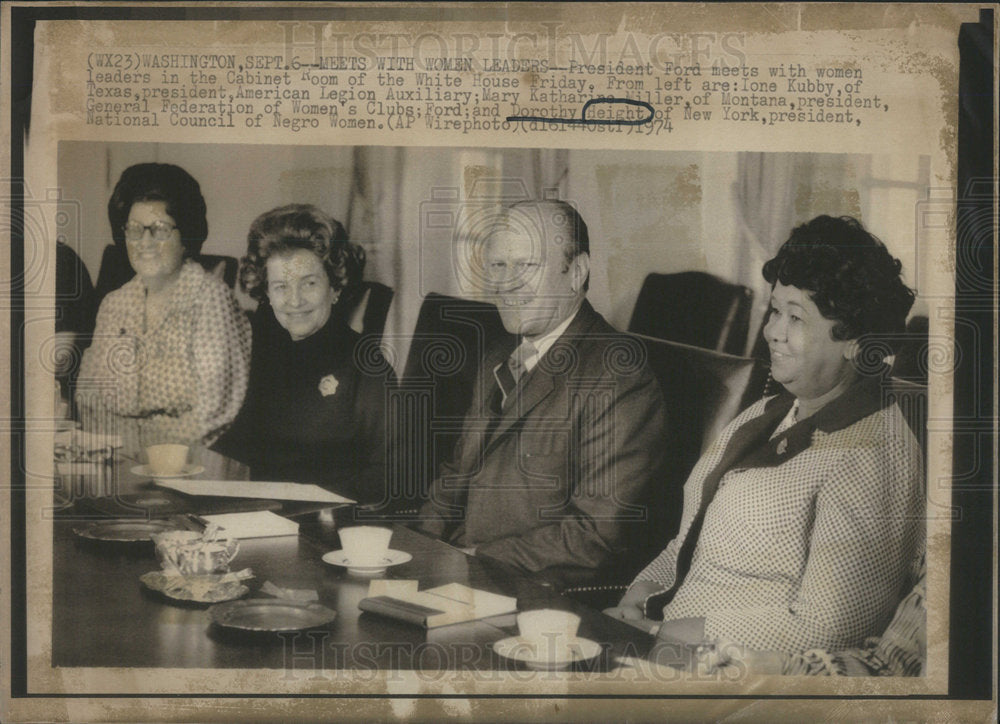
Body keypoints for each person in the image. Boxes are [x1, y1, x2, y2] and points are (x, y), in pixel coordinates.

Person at [605, 215, 924, 656]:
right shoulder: (769, 412)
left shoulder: (872, 455)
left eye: (796, 317)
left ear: (855, 342)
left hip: (740, 678)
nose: (772, 331)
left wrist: (666, 636)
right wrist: (637, 599)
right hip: (667, 647)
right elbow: (688, 543)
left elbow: (830, 632)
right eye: (776, 310)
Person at [417, 200, 667, 583]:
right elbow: (456, 474)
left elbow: (597, 535)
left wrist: (472, 558)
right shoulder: (502, 352)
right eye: (498, 265)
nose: (506, 282)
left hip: (524, 585)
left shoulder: (620, 374)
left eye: (527, 265)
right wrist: (418, 548)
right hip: (455, 568)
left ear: (576, 272)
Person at [212, 204, 393, 503]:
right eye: (281, 286)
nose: (294, 301)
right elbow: (234, 449)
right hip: (258, 520)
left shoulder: (368, 367)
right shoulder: (259, 355)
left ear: (334, 286)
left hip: (329, 529)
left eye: (308, 283)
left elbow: (389, 476)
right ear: (267, 293)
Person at [76, 163, 251, 448]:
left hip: (185, 465)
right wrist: (116, 451)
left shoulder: (210, 299)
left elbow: (214, 412)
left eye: (160, 230)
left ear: (187, 236)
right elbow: (88, 396)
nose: (145, 242)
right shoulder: (114, 303)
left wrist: (146, 452)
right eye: (134, 229)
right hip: (116, 459)